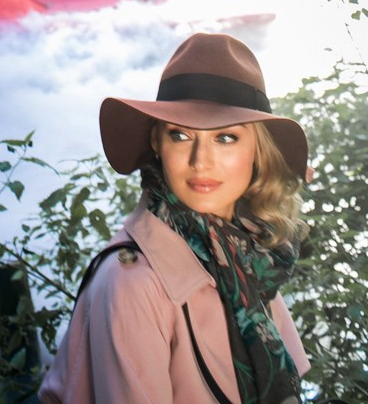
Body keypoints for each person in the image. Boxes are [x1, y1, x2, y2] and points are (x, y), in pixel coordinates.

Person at [39, 32, 311, 404]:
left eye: (226, 138)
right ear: (157, 144)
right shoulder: (131, 285)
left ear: (258, 152)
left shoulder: (244, 254)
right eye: (181, 135)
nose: (201, 161)